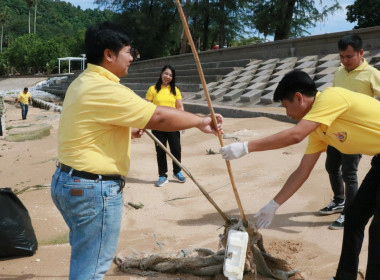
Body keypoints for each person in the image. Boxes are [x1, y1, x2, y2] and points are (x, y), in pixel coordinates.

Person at [51, 22, 223, 280]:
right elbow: (160, 118)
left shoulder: (83, 81)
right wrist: (201, 121)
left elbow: (85, 124)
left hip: (67, 182)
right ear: (109, 54)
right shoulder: (106, 88)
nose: (132, 58)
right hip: (91, 189)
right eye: (129, 52)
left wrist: (124, 130)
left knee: (85, 255)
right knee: (92, 269)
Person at [220, 70, 380, 280]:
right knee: (355, 218)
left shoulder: (332, 97)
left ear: (299, 97)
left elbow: (295, 136)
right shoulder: (318, 129)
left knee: (378, 230)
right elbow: (302, 171)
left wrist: (247, 147)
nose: (287, 113)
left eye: (286, 106)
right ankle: (345, 276)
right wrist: (274, 204)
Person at [320, 34, 380, 230]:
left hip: (355, 134)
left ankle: (350, 212)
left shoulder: (371, 74)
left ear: (361, 53)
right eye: (341, 57)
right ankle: (339, 200)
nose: (344, 61)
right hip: (335, 131)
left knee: (349, 173)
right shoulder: (338, 72)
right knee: (331, 166)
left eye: (349, 56)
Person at [146, 65, 186, 187]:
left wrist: (183, 122)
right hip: (157, 125)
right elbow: (147, 107)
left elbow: (179, 107)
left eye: (170, 75)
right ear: (161, 73)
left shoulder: (175, 90)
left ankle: (177, 171)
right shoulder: (152, 89)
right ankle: (162, 175)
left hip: (172, 124)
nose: (167, 76)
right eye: (166, 73)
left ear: (172, 77)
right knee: (161, 150)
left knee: (176, 148)